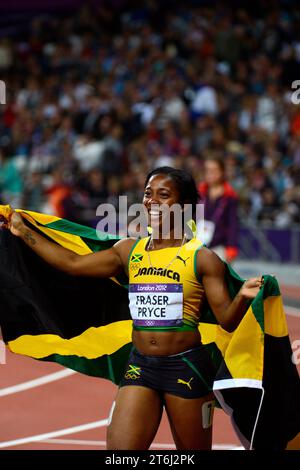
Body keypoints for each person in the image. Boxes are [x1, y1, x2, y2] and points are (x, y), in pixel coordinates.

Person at [6, 166, 262, 450]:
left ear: (184, 206)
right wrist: (22, 230)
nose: (151, 201)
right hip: (140, 365)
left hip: (186, 367)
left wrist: (243, 297)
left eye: (163, 195)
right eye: (148, 193)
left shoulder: (202, 259)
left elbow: (227, 320)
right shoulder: (129, 251)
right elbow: (72, 264)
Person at [197, 156, 239, 263]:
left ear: (222, 172)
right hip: (197, 246)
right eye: (207, 170)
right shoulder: (199, 193)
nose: (210, 173)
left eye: (214, 170)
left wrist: (231, 247)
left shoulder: (230, 196)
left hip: (219, 247)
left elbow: (232, 224)